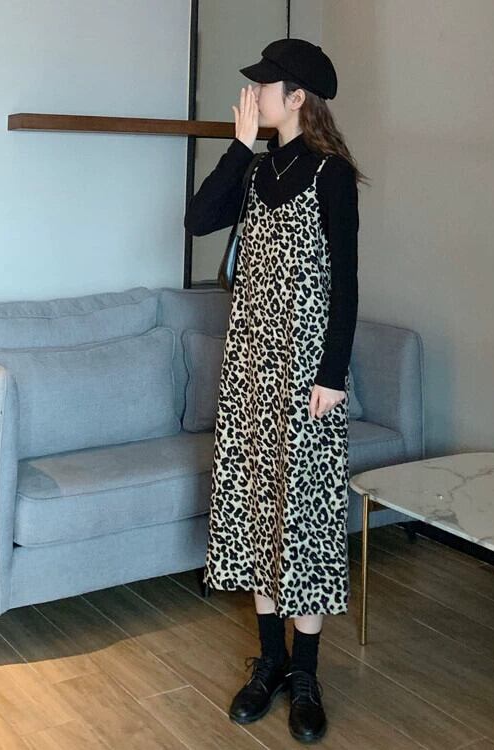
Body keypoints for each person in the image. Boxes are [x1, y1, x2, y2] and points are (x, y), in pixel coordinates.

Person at [184, 38, 367, 743]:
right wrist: (237, 147)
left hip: (307, 374)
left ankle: (307, 673)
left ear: (297, 98)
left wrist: (332, 375)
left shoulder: (332, 175)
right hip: (250, 369)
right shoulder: (257, 169)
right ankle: (270, 662)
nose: (254, 94)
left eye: (265, 86)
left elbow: (346, 282)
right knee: (258, 511)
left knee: (308, 520)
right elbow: (199, 219)